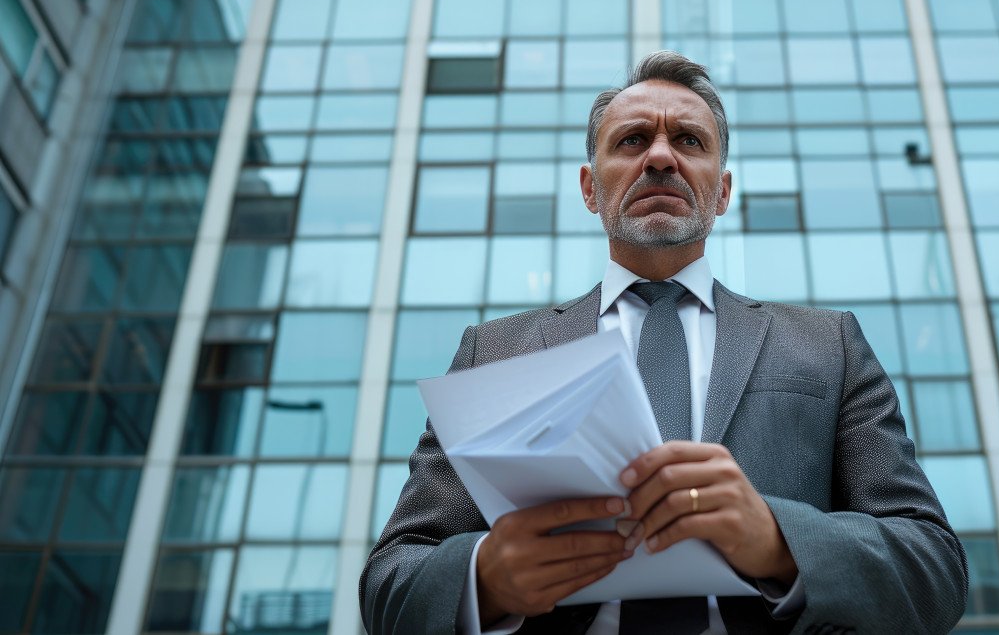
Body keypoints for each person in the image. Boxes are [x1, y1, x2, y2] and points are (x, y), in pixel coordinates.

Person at [361, 51, 968, 634]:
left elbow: (934, 571)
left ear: (723, 191)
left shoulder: (826, 345)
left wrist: (779, 542)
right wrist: (485, 580)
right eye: (631, 141)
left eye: (689, 141)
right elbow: (391, 581)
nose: (659, 158)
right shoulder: (493, 354)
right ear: (590, 189)